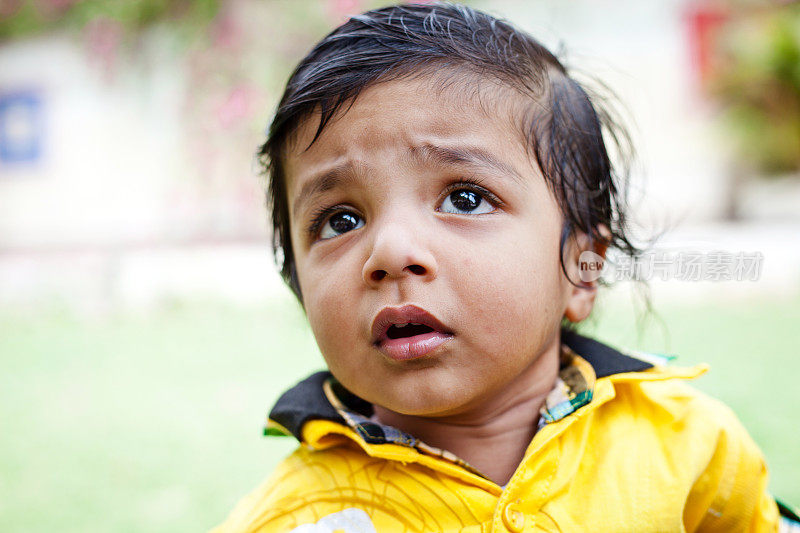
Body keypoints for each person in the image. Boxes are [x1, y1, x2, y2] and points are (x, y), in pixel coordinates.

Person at [212, 3, 798, 531]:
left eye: (465, 198)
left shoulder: (689, 451)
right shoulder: (297, 520)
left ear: (581, 268)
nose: (389, 252)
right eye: (340, 220)